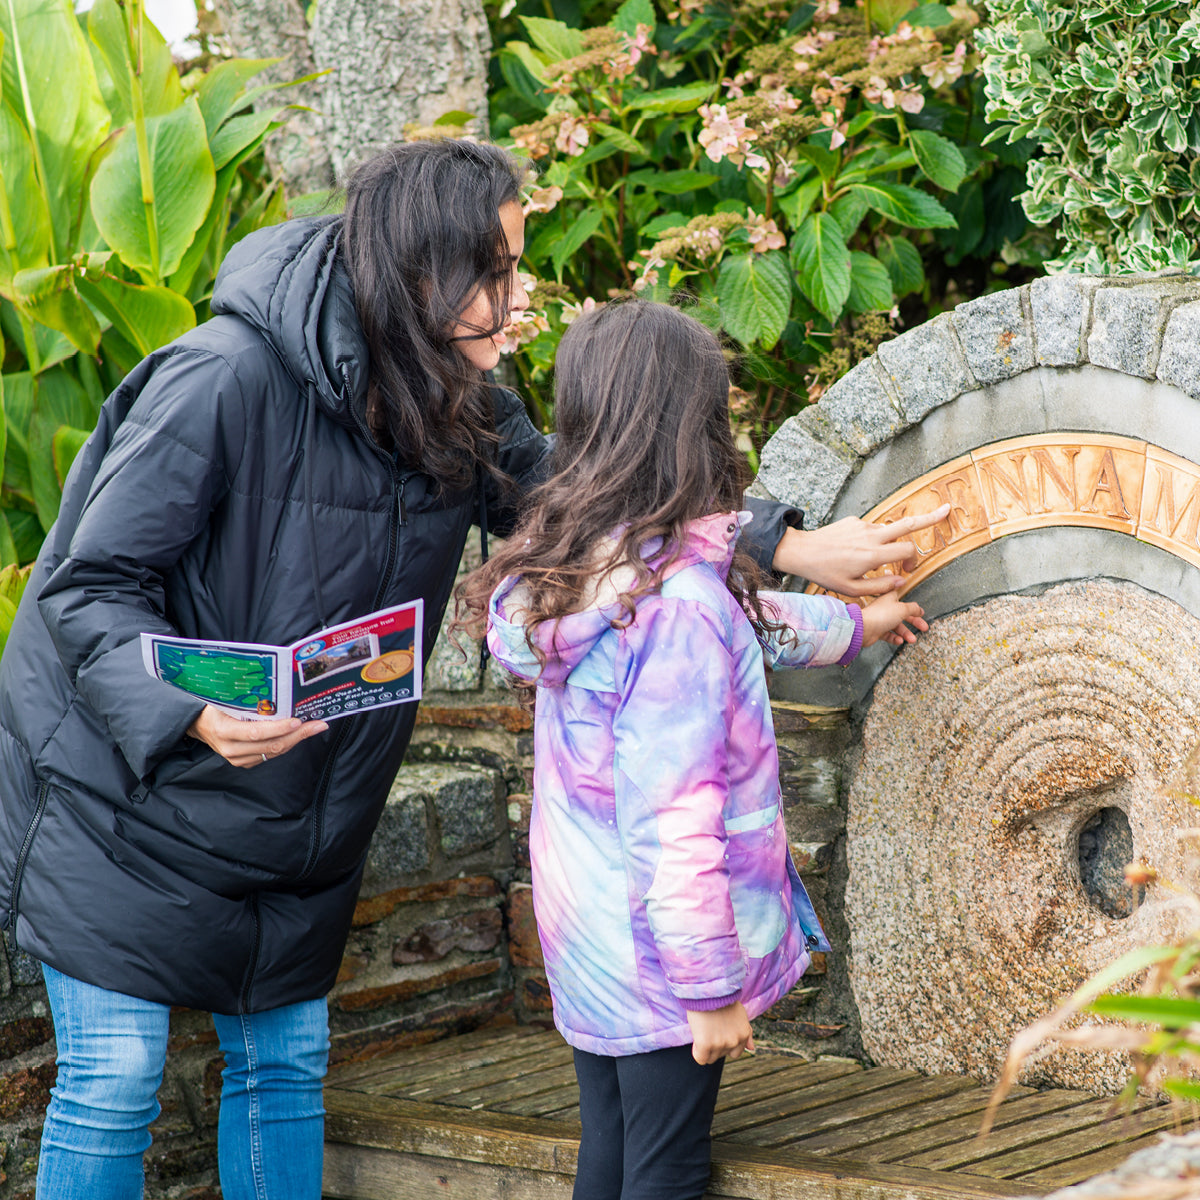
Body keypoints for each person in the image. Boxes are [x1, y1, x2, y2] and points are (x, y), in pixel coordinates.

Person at [0, 138, 942, 1200]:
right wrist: (188, 714)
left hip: (294, 797)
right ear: (418, 273)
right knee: (115, 1082)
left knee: (283, 1070)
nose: (517, 295)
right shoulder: (222, 379)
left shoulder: (458, 398)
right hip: (124, 796)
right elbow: (83, 587)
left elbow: (595, 508)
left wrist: (781, 543)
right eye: (495, 270)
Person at [457, 300, 929, 1200]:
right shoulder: (678, 604)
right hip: (668, 959)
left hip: (594, 939)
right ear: (692, 428)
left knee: (614, 1143)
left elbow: (748, 618)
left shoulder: (587, 569)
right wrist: (710, 991)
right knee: (666, 1169)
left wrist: (854, 625)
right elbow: (674, 817)